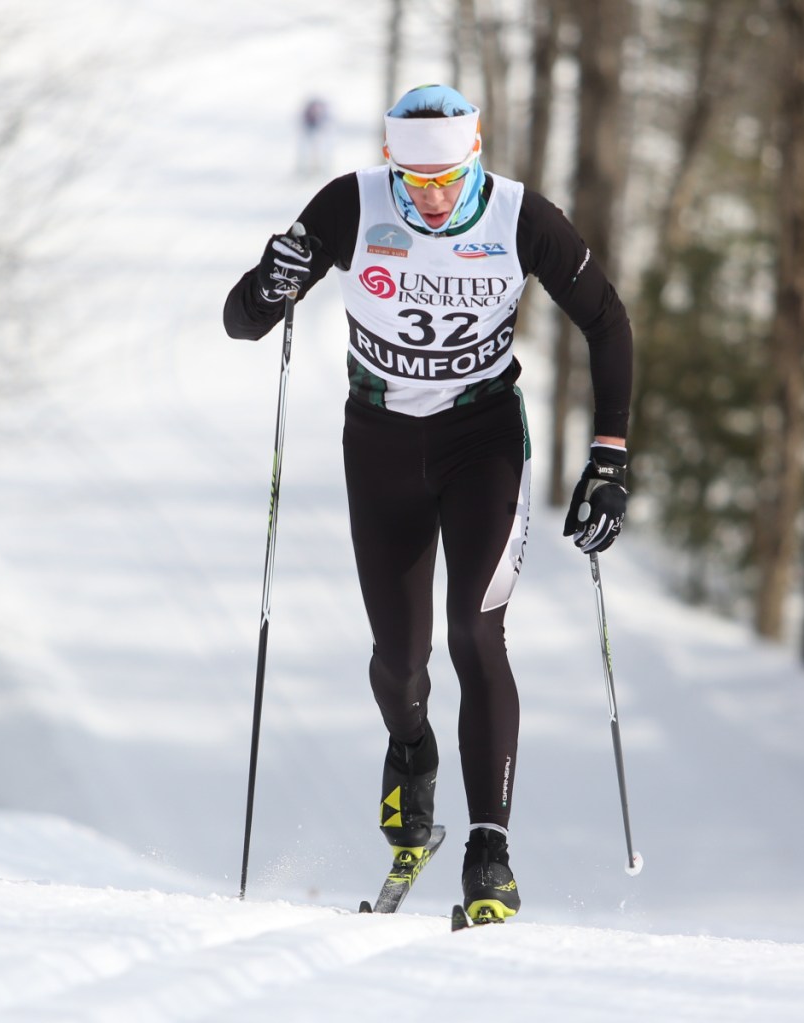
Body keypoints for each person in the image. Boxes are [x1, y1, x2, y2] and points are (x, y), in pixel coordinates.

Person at [224, 84, 633, 922]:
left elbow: (608, 322)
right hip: (377, 444)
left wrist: (609, 457)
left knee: (476, 632)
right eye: (416, 182)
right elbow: (242, 322)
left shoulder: (520, 217)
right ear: (391, 168)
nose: (434, 197)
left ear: (475, 155)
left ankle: (491, 850)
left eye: (448, 178)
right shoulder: (351, 204)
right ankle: (412, 749)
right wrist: (273, 280)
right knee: (399, 661)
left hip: (481, 441)